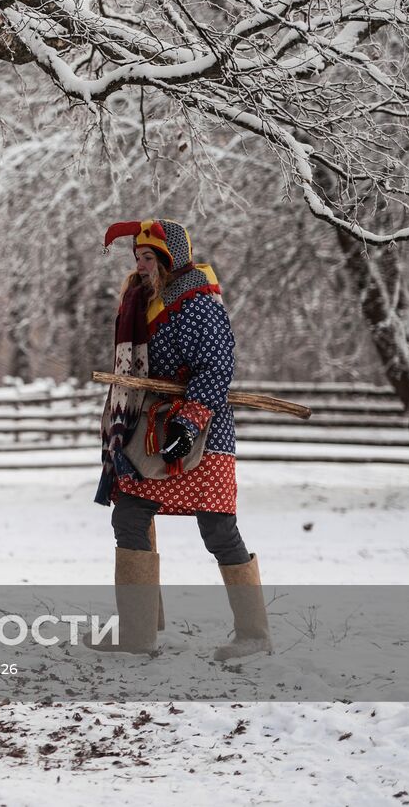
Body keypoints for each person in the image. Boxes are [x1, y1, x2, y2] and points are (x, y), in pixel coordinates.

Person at [95, 219, 270, 659]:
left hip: (203, 432)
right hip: (148, 432)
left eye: (149, 257)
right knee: (130, 517)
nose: (141, 265)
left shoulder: (197, 302)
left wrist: (188, 424)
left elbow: (215, 369)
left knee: (217, 529)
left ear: (171, 259)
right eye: (137, 257)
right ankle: (138, 635)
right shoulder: (141, 301)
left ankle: (254, 635)